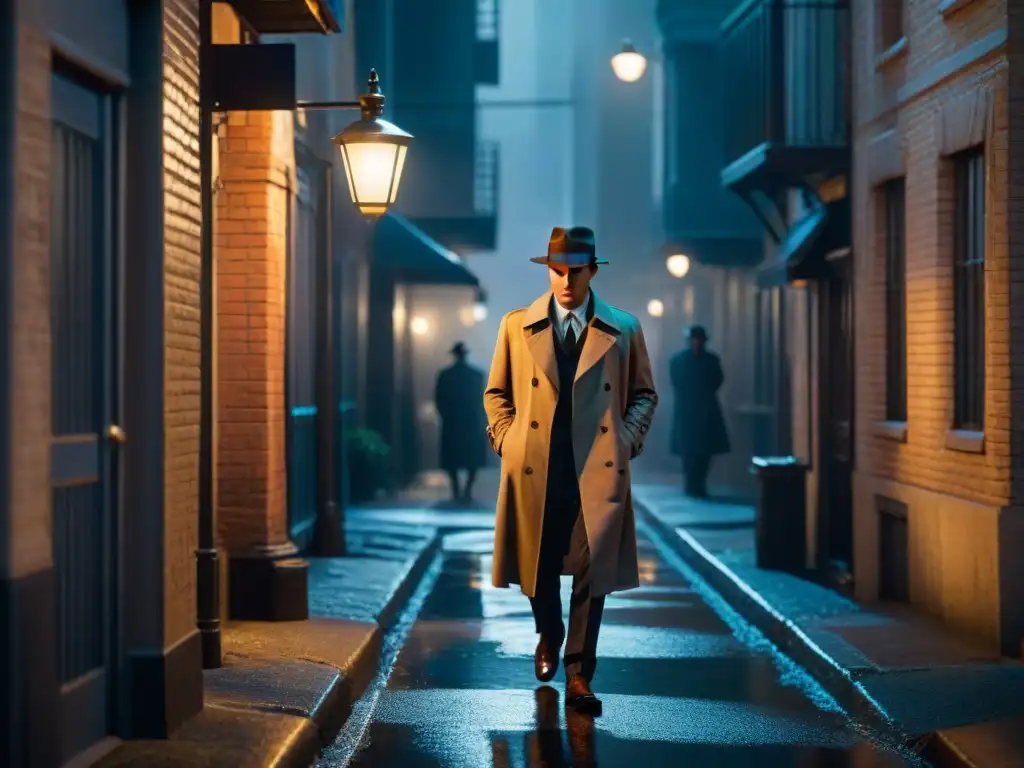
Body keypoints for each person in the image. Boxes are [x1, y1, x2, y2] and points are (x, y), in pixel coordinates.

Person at [483, 226, 658, 715]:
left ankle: (579, 672)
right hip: (538, 468)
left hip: (595, 470)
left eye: (574, 272)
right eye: (556, 271)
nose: (564, 282)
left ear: (592, 272)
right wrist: (506, 438)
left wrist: (626, 439)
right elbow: (496, 393)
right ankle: (549, 631)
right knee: (537, 568)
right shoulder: (516, 326)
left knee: (591, 571)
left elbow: (644, 394)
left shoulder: (623, 328)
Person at [669, 324, 730, 498]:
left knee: (705, 451)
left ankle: (700, 484)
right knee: (688, 451)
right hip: (687, 411)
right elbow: (676, 382)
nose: (696, 343)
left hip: (706, 411)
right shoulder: (679, 360)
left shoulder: (711, 360)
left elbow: (717, 380)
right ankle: (691, 484)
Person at [434, 341, 488, 503]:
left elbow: (439, 399)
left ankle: (457, 489)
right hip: (471, 422)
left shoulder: (445, 375)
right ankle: (466, 490)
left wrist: (445, 416)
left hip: (453, 422)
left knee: (453, 458)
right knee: (472, 458)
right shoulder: (476, 375)